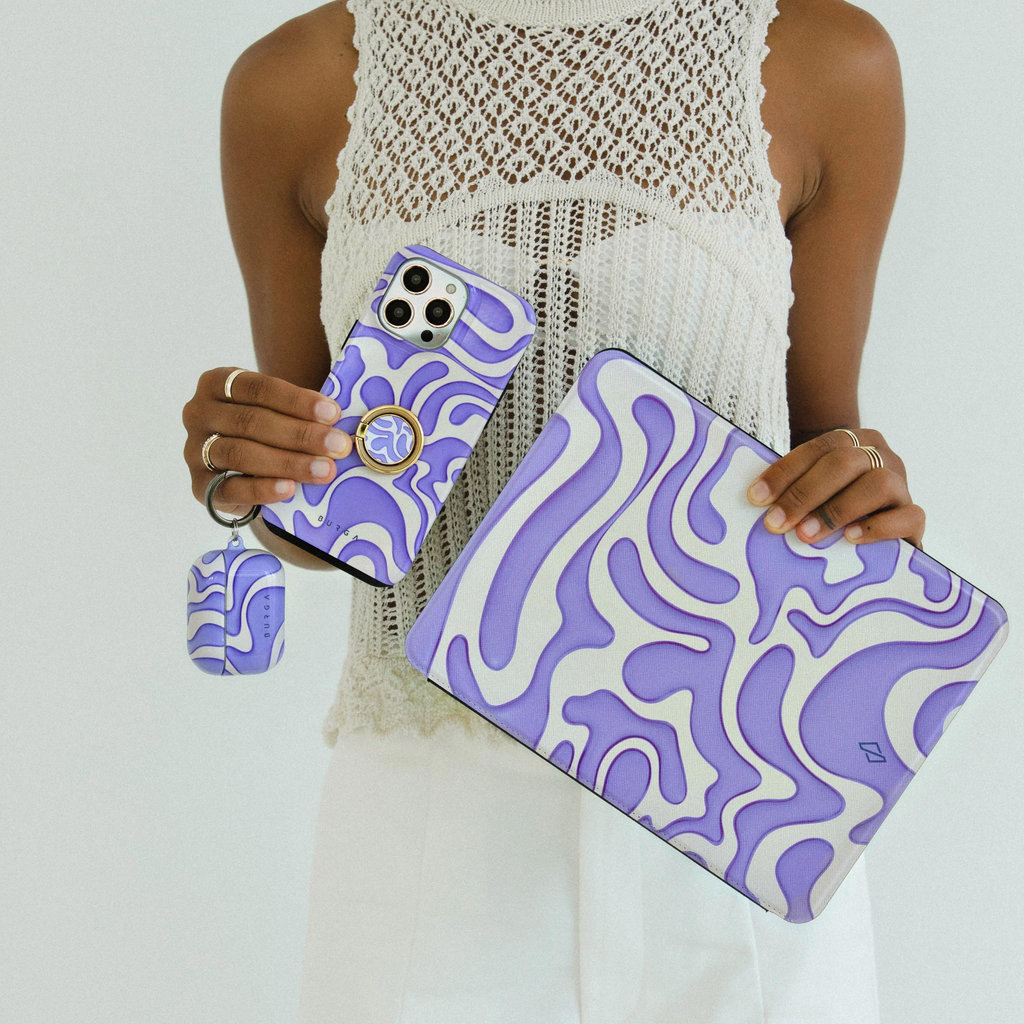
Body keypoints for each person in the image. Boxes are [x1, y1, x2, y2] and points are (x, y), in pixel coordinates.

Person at [182, 0, 925, 1019]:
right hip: (434, 815)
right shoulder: (296, 83)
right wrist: (251, 466)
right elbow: (328, 510)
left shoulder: (825, 59)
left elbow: (826, 436)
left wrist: (865, 481)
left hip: (731, 799)